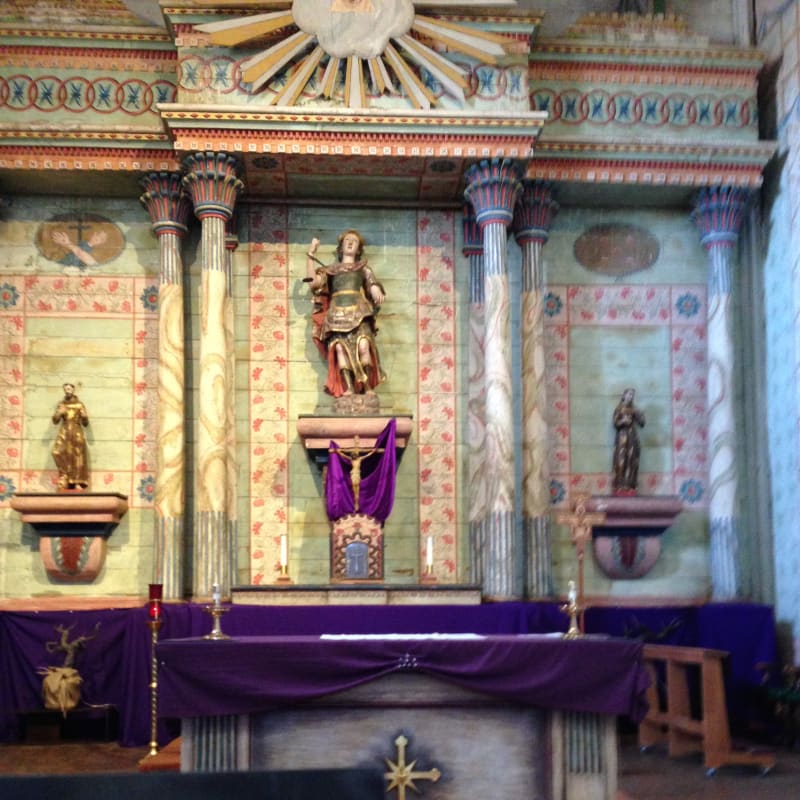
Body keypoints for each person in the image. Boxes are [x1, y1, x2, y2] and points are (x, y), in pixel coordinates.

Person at [305, 229, 386, 397]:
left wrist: (375, 288)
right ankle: (348, 388)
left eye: (354, 241)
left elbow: (371, 282)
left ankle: (367, 388)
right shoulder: (331, 270)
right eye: (347, 240)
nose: (350, 243)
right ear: (341, 247)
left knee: (364, 346)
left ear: (358, 249)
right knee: (341, 350)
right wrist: (311, 255)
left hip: (359, 312)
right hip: (336, 316)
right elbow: (313, 284)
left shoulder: (363, 268)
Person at [51, 383, 90, 490]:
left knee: (77, 456)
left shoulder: (79, 404)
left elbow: (85, 423)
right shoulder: (61, 404)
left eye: (69, 388)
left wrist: (85, 417)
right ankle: (64, 476)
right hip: (65, 430)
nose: (67, 390)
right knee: (56, 452)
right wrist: (59, 413)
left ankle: (77, 481)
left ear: (73, 390)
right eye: (65, 389)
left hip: (76, 430)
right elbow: (55, 421)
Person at [612, 387, 645, 494]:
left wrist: (640, 415)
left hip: (632, 437)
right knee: (621, 461)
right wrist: (623, 421)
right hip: (622, 437)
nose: (631, 397)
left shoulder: (634, 409)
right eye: (629, 394)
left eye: (632, 395)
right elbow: (615, 423)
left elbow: (642, 423)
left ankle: (631, 486)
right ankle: (619, 486)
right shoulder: (619, 408)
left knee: (632, 460)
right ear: (624, 395)